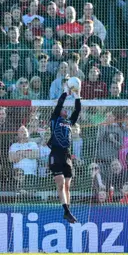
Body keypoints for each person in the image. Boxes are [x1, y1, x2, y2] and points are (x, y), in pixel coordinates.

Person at [48, 81, 81, 223]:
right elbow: (59, 104)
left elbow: (77, 111)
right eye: (63, 109)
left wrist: (77, 96)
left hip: (67, 155)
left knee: (68, 185)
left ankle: (68, 211)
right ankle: (66, 210)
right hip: (56, 153)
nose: (65, 110)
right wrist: (66, 92)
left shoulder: (69, 122)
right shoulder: (55, 118)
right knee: (60, 183)